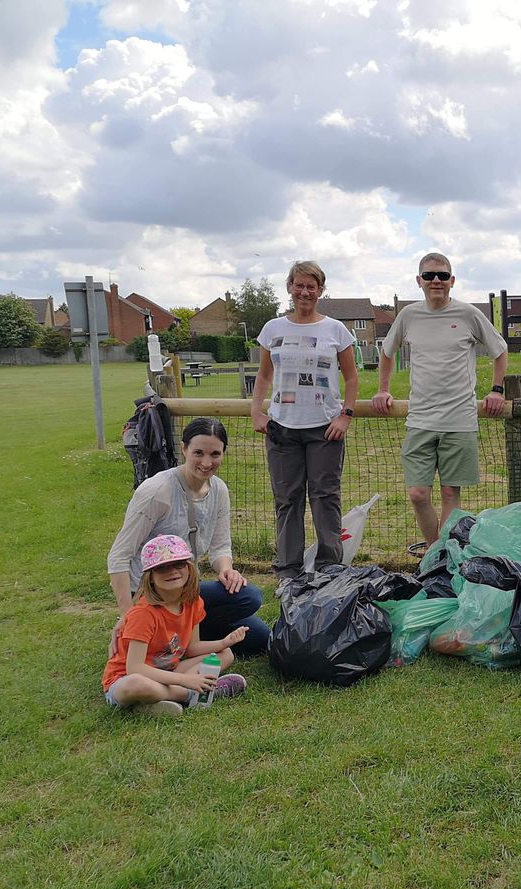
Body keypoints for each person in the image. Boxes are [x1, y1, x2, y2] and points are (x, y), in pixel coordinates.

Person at [374, 252, 509, 544]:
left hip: (459, 418)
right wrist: (384, 389)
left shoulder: (469, 314)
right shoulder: (408, 315)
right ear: (419, 281)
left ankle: (442, 559)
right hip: (420, 418)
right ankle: (435, 549)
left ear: (452, 281)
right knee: (418, 494)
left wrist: (496, 390)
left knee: (450, 492)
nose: (436, 280)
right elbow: (387, 352)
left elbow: (500, 351)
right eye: (430, 275)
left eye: (443, 275)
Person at [108, 417, 270, 658]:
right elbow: (119, 556)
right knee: (251, 599)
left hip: (184, 591)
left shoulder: (219, 490)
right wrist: (129, 616)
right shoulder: (157, 491)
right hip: (151, 593)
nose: (207, 462)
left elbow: (221, 545)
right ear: (184, 449)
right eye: (198, 453)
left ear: (224, 453)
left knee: (257, 631)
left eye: (215, 454)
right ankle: (156, 631)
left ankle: (179, 636)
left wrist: (226, 570)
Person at [251, 260, 358, 583]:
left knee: (325, 497)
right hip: (283, 429)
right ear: (290, 288)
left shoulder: (336, 330)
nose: (305, 292)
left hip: (324, 428)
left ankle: (329, 567)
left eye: (311, 286)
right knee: (288, 500)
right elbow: (265, 374)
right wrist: (257, 410)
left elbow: (352, 378)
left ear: (321, 291)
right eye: (299, 285)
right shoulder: (273, 329)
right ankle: (288, 570)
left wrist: (345, 415)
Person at [103, 535, 250, 717]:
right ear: (150, 577)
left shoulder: (194, 602)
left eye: (179, 564)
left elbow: (191, 648)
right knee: (137, 684)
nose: (172, 571)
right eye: (162, 567)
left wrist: (223, 642)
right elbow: (135, 668)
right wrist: (185, 680)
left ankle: (154, 703)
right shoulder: (144, 614)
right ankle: (196, 693)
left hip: (168, 671)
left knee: (224, 654)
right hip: (126, 679)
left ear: (189, 568)